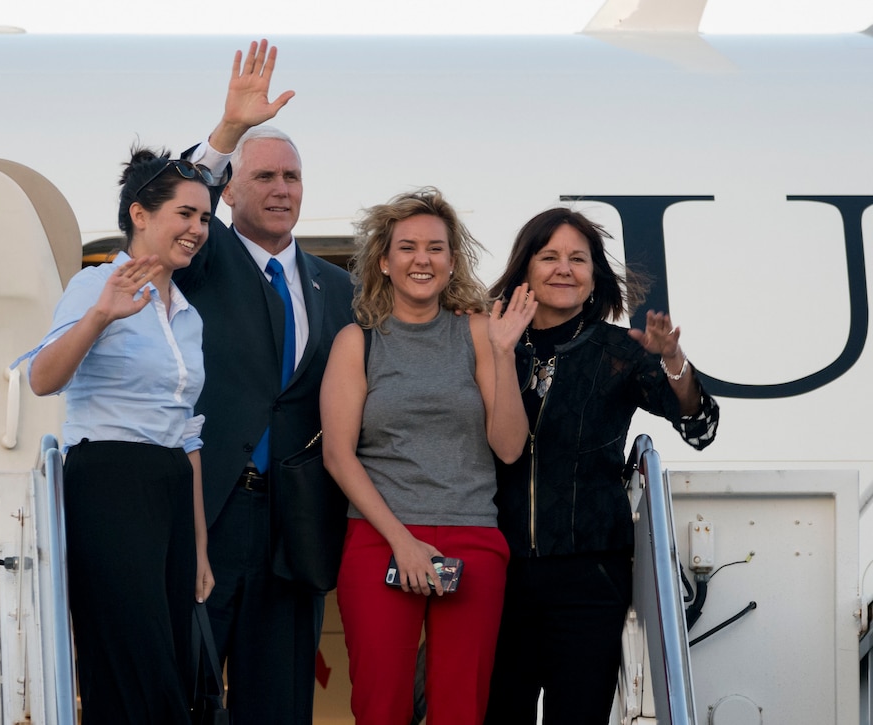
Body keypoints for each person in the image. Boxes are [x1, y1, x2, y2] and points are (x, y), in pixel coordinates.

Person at [172, 40, 354, 724]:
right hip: (208, 510)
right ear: (231, 189)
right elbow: (174, 200)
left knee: (278, 703)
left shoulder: (338, 288)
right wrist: (228, 132)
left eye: (293, 178)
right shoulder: (202, 254)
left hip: (296, 525)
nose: (282, 189)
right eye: (266, 176)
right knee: (184, 690)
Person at [483, 207, 720, 725]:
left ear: (595, 275)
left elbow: (700, 429)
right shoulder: (487, 342)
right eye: (549, 257)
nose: (564, 268)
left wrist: (674, 364)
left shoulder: (620, 351)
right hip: (497, 570)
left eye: (578, 259)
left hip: (589, 574)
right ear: (526, 268)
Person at [320, 188, 537, 725]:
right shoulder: (359, 342)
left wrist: (505, 355)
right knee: (380, 704)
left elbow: (509, 447)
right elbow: (337, 455)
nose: (423, 260)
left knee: (461, 708)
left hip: (473, 537)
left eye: (436, 248)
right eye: (409, 248)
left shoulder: (481, 334)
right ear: (384, 262)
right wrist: (403, 543)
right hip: (380, 540)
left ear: (452, 260)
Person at [24, 147, 220, 724]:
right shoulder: (94, 285)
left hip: (169, 488)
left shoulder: (188, 314)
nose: (197, 230)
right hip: (108, 479)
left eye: (205, 219)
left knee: (172, 667)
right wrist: (101, 317)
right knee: (134, 665)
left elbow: (188, 432)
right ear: (140, 214)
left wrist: (200, 543)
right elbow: (42, 378)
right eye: (185, 214)